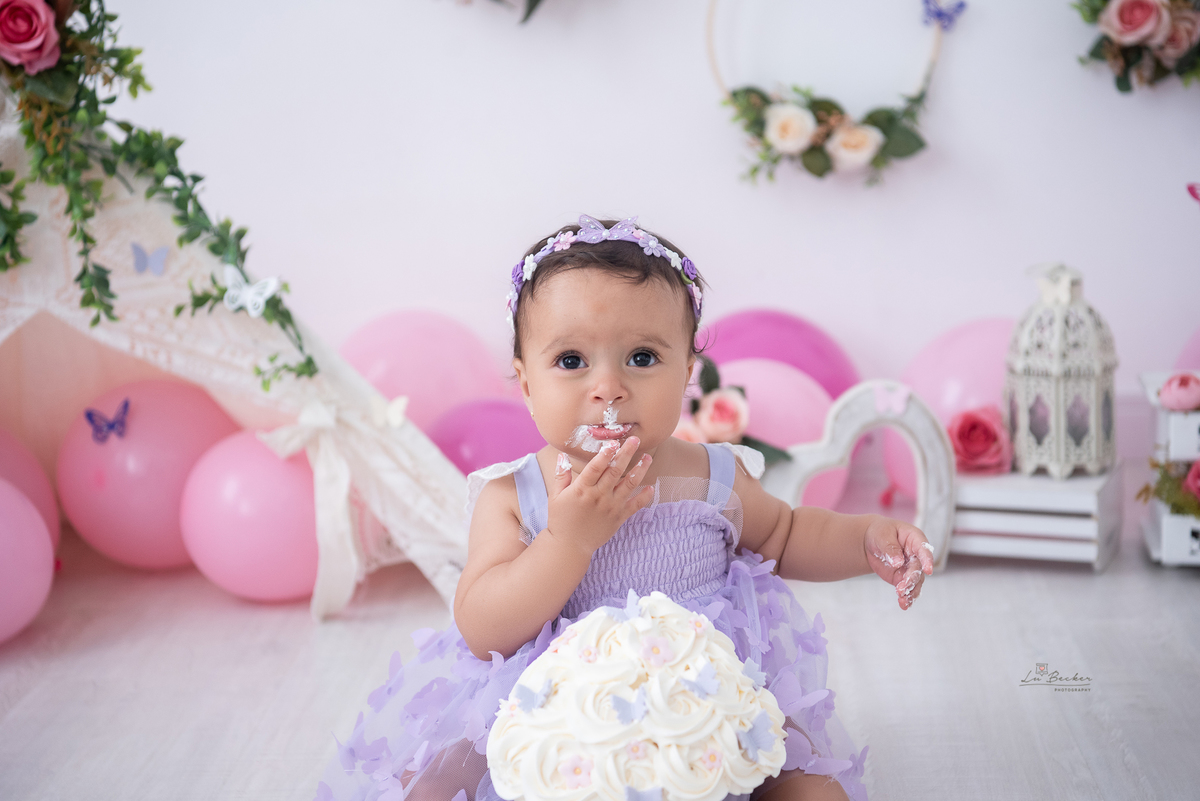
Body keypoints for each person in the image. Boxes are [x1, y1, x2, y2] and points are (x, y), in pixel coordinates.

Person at [316, 215, 933, 801]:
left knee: (807, 783)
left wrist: (865, 539)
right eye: (571, 361)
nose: (608, 387)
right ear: (526, 382)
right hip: (542, 711)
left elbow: (790, 533)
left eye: (642, 358)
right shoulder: (517, 496)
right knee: (433, 788)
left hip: (703, 703)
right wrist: (567, 540)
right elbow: (482, 628)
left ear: (687, 372)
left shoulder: (714, 478)